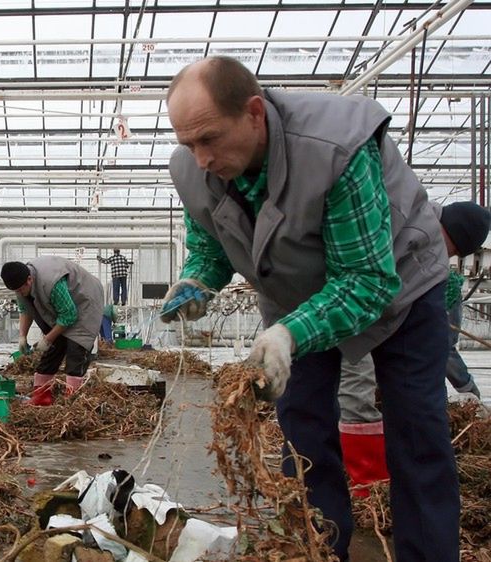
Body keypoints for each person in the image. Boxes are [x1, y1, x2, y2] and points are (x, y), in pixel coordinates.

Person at [161, 56, 458, 561]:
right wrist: (197, 280)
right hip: (296, 296)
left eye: (209, 138)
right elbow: (211, 245)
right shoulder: (194, 169)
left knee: (415, 432)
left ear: (254, 113)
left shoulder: (335, 149)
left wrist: (288, 335)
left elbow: (366, 282)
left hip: (400, 284)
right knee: (301, 435)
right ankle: (318, 551)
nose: (201, 157)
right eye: (188, 143)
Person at [338, 200, 489, 496]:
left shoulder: (422, 244)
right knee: (355, 388)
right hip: (347, 310)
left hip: (354, 313)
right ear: (449, 233)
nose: (448, 256)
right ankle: (368, 488)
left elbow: (440, 349)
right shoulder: (404, 229)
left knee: (347, 391)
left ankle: (360, 480)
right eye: (453, 249)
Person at [0, 257, 104, 406]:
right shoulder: (21, 285)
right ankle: (42, 396)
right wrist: (22, 336)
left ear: (29, 279)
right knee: (53, 348)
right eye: (16, 291)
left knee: (76, 349)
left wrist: (47, 339)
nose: (20, 293)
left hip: (84, 300)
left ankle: (73, 401)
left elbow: (69, 315)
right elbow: (25, 309)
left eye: (20, 289)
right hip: (64, 307)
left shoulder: (51, 282)